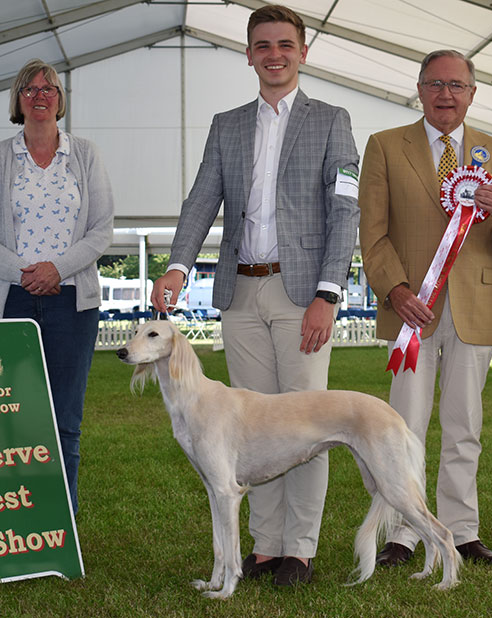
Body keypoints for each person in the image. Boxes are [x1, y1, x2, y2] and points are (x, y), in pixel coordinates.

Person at [151, 4, 359, 585]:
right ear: (248, 54)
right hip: (239, 294)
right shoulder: (227, 124)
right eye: (263, 45)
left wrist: (328, 294)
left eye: (285, 45)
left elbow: (346, 211)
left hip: (303, 299)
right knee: (249, 431)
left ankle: (301, 548)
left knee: (307, 424)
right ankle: (265, 547)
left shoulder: (333, 120)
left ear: (302, 52)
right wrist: (176, 267)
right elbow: (200, 203)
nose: (274, 55)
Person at [359, 49, 492, 565]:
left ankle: (462, 531)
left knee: (466, 426)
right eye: (435, 84)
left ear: (472, 93)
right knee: (402, 426)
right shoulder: (383, 147)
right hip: (410, 311)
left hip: (477, 308)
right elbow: (371, 235)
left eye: (456, 86)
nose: (446, 94)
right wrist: (396, 290)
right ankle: (402, 532)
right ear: (419, 89)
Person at [0, 59, 114, 514]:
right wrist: (27, 273)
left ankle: (60, 521)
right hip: (13, 299)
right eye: (30, 89)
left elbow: (102, 230)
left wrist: (56, 269)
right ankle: (21, 519)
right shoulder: (2, 157)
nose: (40, 95)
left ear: (60, 100)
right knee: (14, 420)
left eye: (49, 88)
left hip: (74, 303)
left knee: (66, 420)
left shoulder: (85, 154)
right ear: (18, 101)